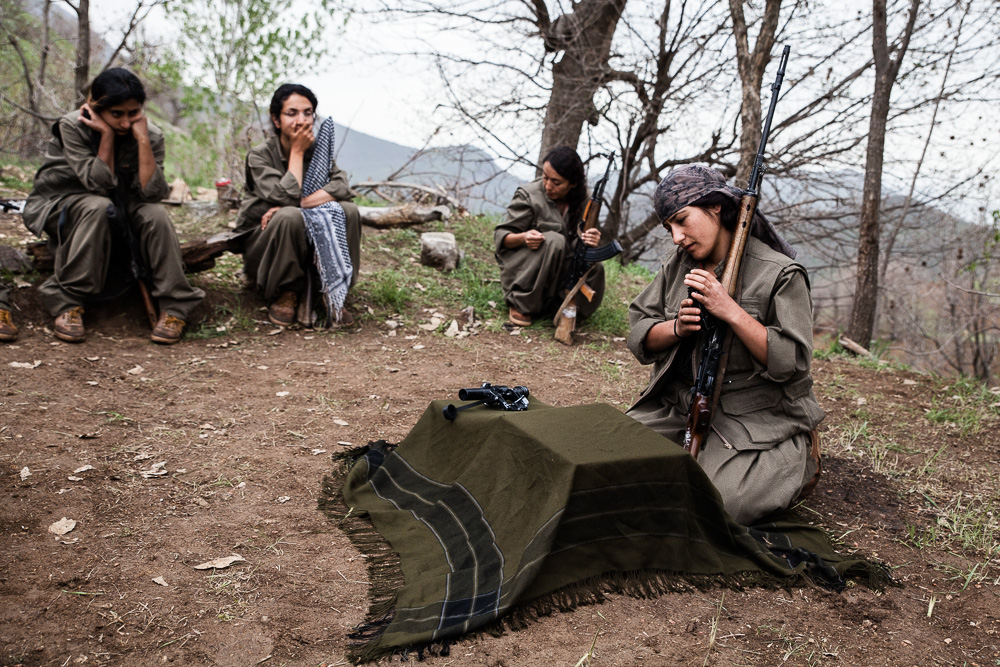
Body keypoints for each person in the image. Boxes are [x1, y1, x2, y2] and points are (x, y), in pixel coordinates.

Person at [625, 165, 825, 525]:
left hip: (755, 420)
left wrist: (730, 310)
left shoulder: (779, 273)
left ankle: (797, 459)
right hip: (680, 407)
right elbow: (639, 331)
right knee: (609, 461)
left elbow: (792, 363)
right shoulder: (679, 265)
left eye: (682, 220)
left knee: (716, 504)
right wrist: (676, 328)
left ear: (715, 207)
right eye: (669, 227)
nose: (676, 237)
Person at [22, 68, 204, 344]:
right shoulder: (73, 126)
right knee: (98, 206)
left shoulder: (150, 134)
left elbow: (153, 193)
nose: (126, 123)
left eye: (134, 113)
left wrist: (143, 141)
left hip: (121, 206)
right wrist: (105, 137)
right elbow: (97, 185)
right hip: (63, 204)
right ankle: (67, 300)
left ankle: (175, 306)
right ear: (96, 107)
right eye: (116, 114)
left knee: (155, 214)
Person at [236, 83, 362, 326]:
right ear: (276, 119)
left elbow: (342, 186)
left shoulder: (318, 153)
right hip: (263, 244)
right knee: (289, 216)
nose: (301, 121)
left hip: (306, 241)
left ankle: (334, 289)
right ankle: (286, 291)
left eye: (307, 113)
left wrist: (303, 203)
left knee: (348, 210)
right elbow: (284, 197)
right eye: (291, 113)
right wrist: (296, 152)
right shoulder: (260, 156)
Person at [493, 146, 605, 327]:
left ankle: (569, 310)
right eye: (545, 177)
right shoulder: (529, 195)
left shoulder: (585, 202)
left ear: (573, 184)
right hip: (526, 268)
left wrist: (591, 240)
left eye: (556, 182)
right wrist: (523, 238)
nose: (547, 186)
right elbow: (502, 236)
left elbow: (580, 244)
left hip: (559, 273)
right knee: (554, 240)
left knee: (594, 263)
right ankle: (522, 303)